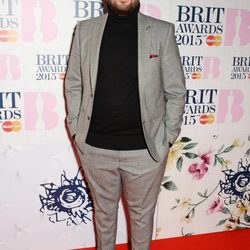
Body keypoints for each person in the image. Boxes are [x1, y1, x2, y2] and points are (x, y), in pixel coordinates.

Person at [65, 0, 186, 249]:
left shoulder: (162, 32)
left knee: (142, 219)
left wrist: (168, 136)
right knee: (104, 215)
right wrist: (76, 129)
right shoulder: (85, 30)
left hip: (146, 152)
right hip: (95, 148)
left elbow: (175, 91)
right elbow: (73, 84)